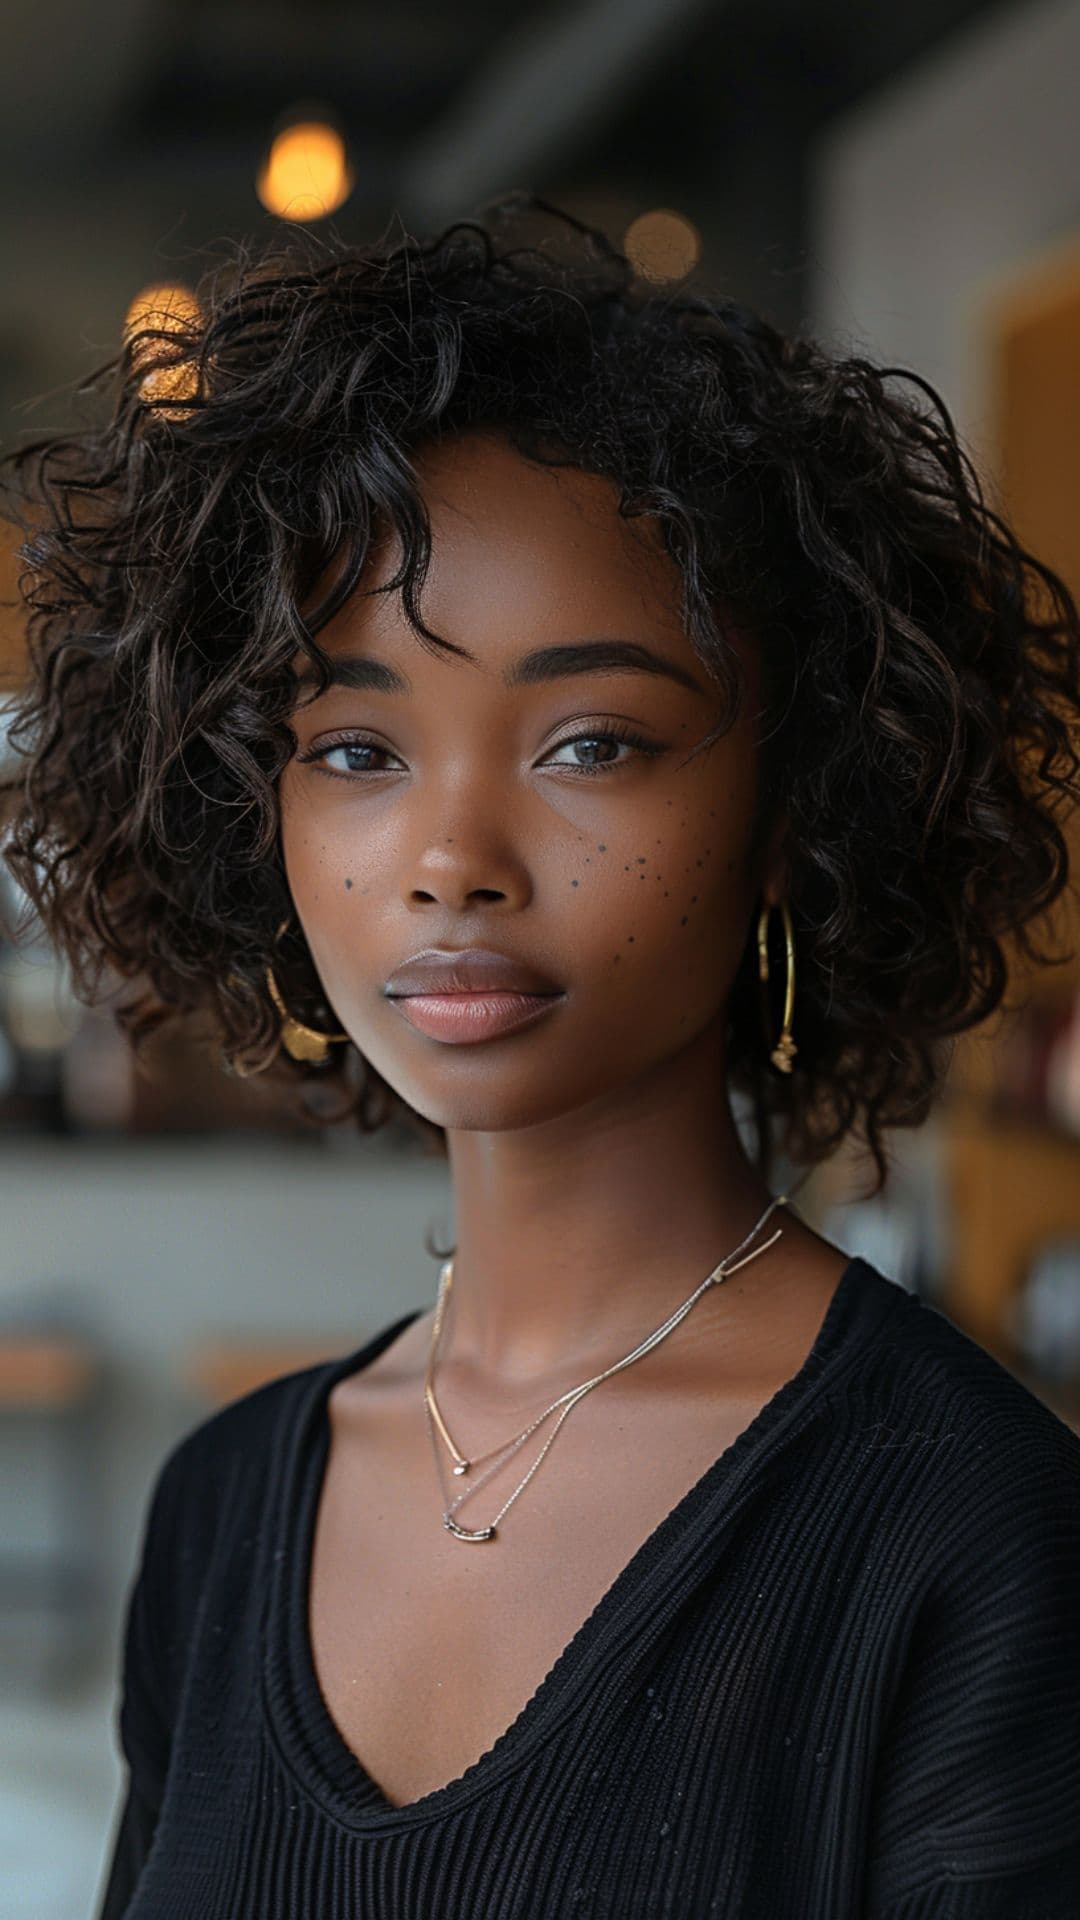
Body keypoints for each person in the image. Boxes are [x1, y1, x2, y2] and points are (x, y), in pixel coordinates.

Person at [2, 192, 1079, 1918]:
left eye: (594, 739)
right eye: (355, 748)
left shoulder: (972, 1542)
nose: (450, 855)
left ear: (795, 810)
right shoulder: (220, 1512)